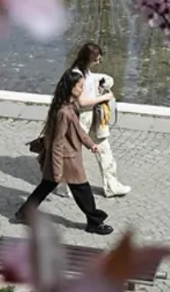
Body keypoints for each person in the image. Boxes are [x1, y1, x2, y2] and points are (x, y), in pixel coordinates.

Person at [15, 70, 113, 235]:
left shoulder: (69, 106)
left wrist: (90, 144)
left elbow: (78, 130)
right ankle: (94, 222)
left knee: (46, 186)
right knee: (83, 190)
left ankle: (24, 212)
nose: (82, 89)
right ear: (71, 87)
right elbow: (58, 142)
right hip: (67, 160)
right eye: (80, 86)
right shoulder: (64, 112)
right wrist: (57, 168)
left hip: (69, 157)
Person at [68, 42, 132, 197]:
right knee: (73, 151)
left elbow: (90, 86)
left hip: (93, 116)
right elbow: (82, 102)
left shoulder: (86, 72)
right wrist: (104, 97)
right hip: (81, 117)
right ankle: (66, 186)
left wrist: (102, 84)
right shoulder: (77, 74)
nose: (99, 62)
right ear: (88, 58)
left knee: (104, 149)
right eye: (96, 59)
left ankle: (112, 186)